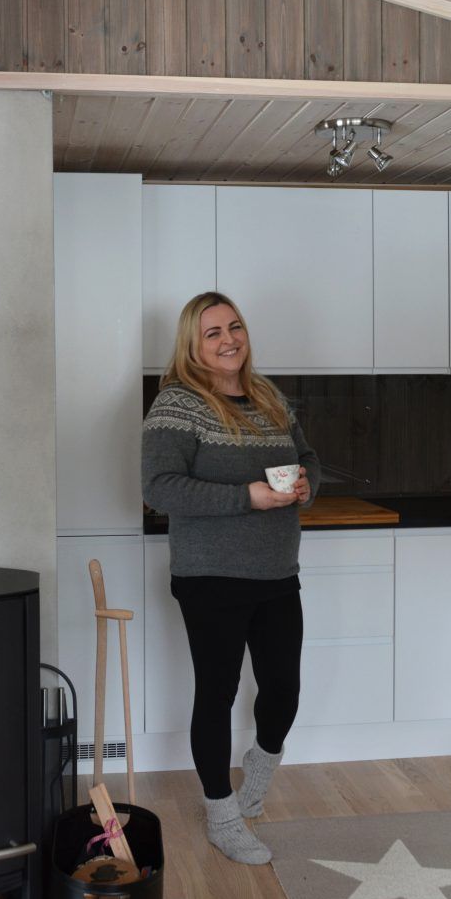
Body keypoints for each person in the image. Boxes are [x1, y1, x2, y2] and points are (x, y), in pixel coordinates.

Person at [142, 291, 320, 865]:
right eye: (213, 332)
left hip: (276, 570)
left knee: (284, 690)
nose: (228, 340)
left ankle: (257, 776)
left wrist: (305, 485)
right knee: (217, 694)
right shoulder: (178, 403)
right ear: (192, 345)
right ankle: (222, 815)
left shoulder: (270, 397)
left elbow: (308, 457)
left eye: (234, 327)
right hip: (211, 575)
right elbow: (160, 487)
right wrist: (248, 497)